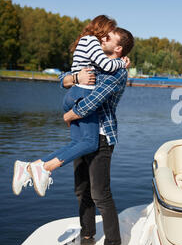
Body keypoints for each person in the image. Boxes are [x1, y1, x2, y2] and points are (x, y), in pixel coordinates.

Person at [12, 15, 129, 197]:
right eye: (107, 34)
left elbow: (66, 76)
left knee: (77, 143)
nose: (105, 39)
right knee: (89, 143)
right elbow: (95, 93)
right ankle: (44, 168)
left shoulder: (85, 43)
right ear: (101, 29)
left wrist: (73, 80)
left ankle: (27, 167)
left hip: (73, 95)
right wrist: (122, 62)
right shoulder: (93, 43)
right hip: (82, 95)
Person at [59, 27, 134, 245]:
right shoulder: (95, 63)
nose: (103, 38)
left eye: (108, 38)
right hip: (83, 135)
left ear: (118, 48)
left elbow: (94, 100)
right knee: (81, 189)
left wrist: (70, 114)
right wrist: (74, 78)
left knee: (100, 192)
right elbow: (62, 78)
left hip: (101, 136)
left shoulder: (118, 72)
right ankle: (87, 234)